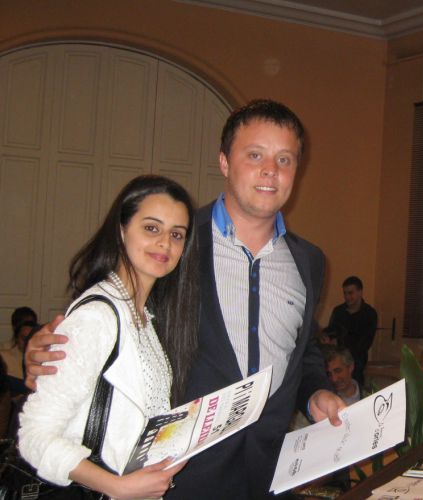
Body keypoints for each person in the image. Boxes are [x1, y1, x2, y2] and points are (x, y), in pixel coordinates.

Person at [25, 100, 345, 500]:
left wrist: (316, 393)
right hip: (178, 475)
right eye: (255, 155)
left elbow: (302, 349)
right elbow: (111, 318)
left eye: (285, 159)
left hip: (268, 471)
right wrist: (48, 350)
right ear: (224, 162)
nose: (270, 170)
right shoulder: (175, 242)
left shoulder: (309, 261)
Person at [18, 175, 199, 498]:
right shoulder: (97, 317)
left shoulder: (144, 317)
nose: (165, 243)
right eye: (151, 228)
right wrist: (117, 486)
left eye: (176, 234)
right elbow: (35, 435)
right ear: (121, 230)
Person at [329, 276, 377, 386]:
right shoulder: (338, 311)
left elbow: (365, 343)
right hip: (336, 362)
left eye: (350, 293)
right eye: (345, 293)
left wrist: (341, 345)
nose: (347, 297)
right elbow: (330, 333)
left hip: (356, 364)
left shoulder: (369, 314)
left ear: (360, 292)